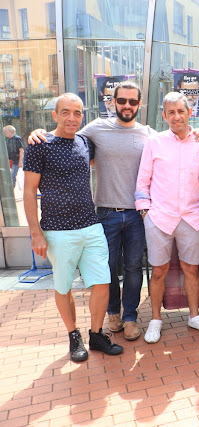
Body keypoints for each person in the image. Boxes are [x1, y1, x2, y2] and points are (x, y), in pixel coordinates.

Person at [28, 81, 199, 341]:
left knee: (135, 267)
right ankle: (113, 312)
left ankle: (130, 317)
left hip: (137, 214)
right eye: (122, 100)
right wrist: (39, 133)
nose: (127, 105)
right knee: (109, 268)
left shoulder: (149, 134)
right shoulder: (96, 129)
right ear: (112, 102)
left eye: (132, 101)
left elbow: (178, 139)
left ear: (139, 105)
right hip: (105, 213)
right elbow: (66, 131)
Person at [23, 93, 123, 362]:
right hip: (57, 231)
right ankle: (73, 335)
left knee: (102, 282)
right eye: (65, 112)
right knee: (64, 286)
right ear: (54, 115)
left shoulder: (84, 142)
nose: (71, 118)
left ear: (82, 116)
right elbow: (29, 191)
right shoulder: (40, 144)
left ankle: (96, 334)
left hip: (91, 227)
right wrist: (35, 233)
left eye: (77, 113)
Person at [135, 92, 199, 344]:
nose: (176, 116)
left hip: (192, 217)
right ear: (164, 115)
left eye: (181, 111)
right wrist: (145, 212)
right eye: (170, 112)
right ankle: (156, 319)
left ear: (190, 113)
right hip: (159, 217)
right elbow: (143, 181)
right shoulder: (154, 142)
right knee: (158, 270)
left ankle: (194, 316)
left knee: (191, 269)